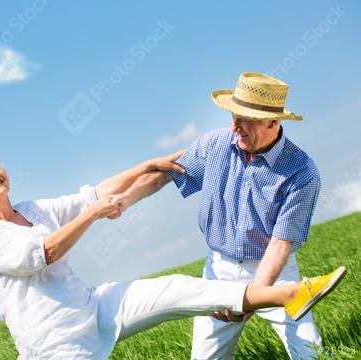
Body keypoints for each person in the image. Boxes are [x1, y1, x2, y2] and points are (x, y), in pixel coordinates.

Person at [0, 148, 345, 359]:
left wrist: (148, 165)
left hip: (93, 307)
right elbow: (44, 252)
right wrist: (91, 215)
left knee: (175, 289)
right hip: (57, 345)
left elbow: (97, 193)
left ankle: (291, 294)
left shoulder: (32, 210)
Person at [114, 72, 328, 359]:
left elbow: (279, 246)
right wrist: (125, 199)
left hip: (275, 273)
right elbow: (166, 173)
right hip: (218, 270)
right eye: (233, 116)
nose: (235, 126)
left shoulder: (301, 172)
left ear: (272, 122)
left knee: (310, 353)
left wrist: (250, 299)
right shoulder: (214, 146)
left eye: (246, 119)